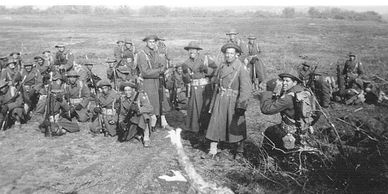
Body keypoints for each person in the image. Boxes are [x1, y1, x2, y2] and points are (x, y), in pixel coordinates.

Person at [205, 43, 252, 159]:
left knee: (236, 124)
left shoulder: (241, 68)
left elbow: (246, 88)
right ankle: (213, 148)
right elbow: (216, 80)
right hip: (220, 98)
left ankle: (240, 150)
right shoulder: (222, 66)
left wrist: (241, 105)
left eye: (231, 53)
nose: (228, 55)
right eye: (227, 53)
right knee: (215, 123)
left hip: (233, 100)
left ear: (236, 55)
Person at [260, 71, 319, 151]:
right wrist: (309, 124)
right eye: (283, 80)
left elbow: (266, 109)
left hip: (289, 132)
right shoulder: (306, 92)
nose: (284, 83)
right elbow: (318, 112)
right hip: (304, 131)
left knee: (269, 131)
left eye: (287, 81)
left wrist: (269, 91)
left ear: (295, 82)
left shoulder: (288, 97)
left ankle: (264, 158)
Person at [181, 41, 216, 135]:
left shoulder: (206, 60)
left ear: (198, 51)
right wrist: (185, 74)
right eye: (189, 50)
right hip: (194, 90)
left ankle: (207, 132)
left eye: (194, 49)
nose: (191, 51)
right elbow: (186, 80)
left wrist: (206, 69)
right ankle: (196, 132)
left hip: (206, 89)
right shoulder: (185, 63)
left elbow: (216, 71)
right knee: (195, 111)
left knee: (206, 109)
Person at [137, 35, 171, 131]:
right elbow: (145, 72)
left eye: (154, 42)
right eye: (150, 42)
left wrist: (161, 69)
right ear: (146, 43)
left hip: (157, 81)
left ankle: (163, 122)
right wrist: (159, 71)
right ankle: (152, 124)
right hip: (148, 82)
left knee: (161, 100)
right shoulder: (142, 54)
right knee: (151, 102)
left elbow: (162, 65)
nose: (152, 44)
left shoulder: (156, 53)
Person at [117, 81, 153, 147]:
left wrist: (138, 109)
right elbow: (122, 113)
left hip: (140, 117)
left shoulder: (140, 96)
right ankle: (138, 134)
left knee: (144, 116)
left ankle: (146, 138)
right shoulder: (123, 99)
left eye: (129, 90)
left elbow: (150, 108)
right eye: (125, 90)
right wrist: (121, 122)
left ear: (133, 90)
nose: (127, 92)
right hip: (131, 120)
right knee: (127, 138)